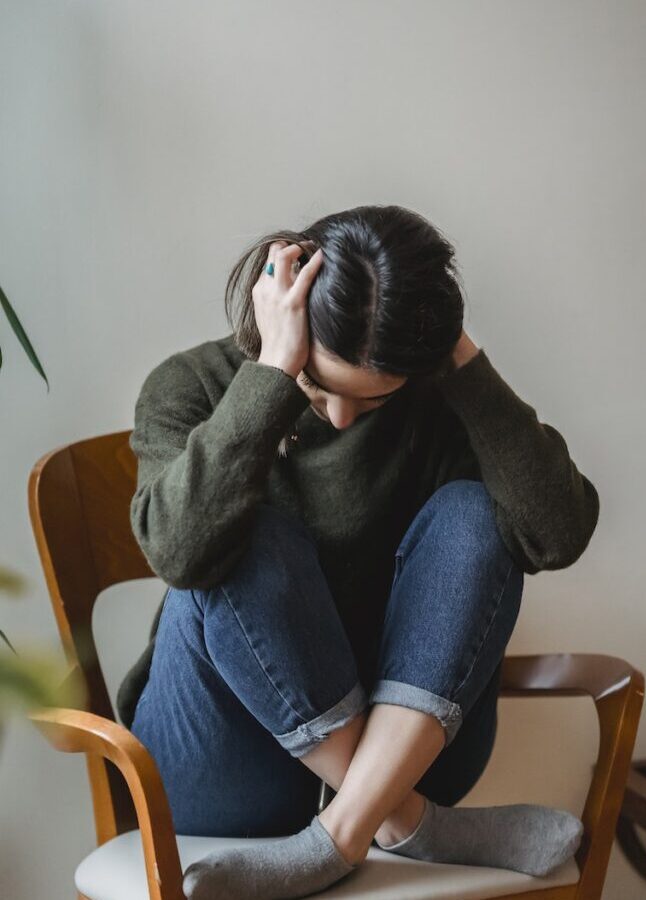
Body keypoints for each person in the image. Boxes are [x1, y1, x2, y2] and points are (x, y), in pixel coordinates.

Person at [120, 204, 600, 899]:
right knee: (243, 534)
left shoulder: (434, 398)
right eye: (320, 385)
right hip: (222, 757)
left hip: (407, 741)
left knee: (474, 513)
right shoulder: (190, 385)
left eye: (370, 402)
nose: (342, 417)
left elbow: (554, 535)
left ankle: (341, 831)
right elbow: (179, 553)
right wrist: (273, 378)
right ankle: (406, 820)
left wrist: (462, 363)